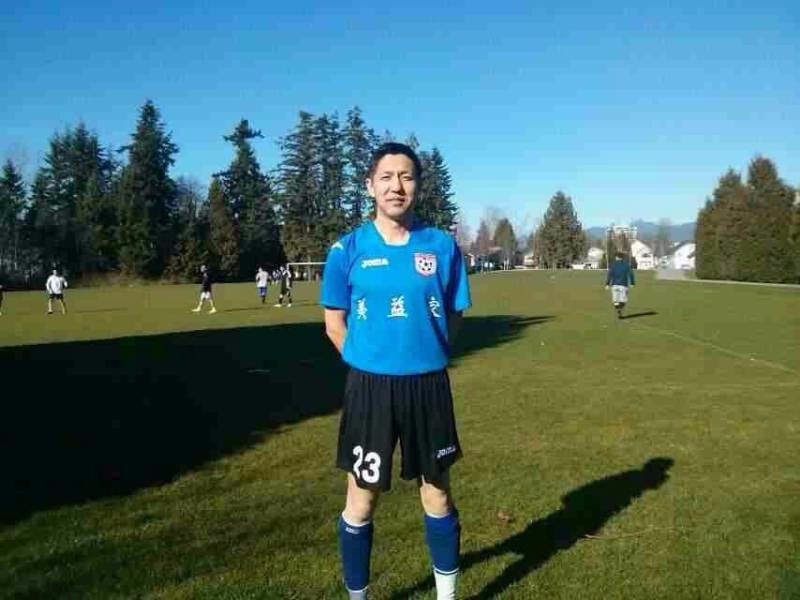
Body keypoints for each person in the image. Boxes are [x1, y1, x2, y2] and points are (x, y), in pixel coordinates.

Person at [320, 142, 471, 599]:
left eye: (406, 176)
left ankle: (447, 596)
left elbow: (455, 314)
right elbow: (334, 324)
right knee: (361, 499)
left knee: (437, 493)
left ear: (418, 186)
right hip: (370, 390)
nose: (396, 186)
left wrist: (425, 352)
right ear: (370, 186)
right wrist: (371, 361)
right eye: (386, 177)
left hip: (428, 387)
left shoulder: (441, 246)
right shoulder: (346, 249)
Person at [605, 251, 635, 319]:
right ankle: (620, 309)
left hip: (614, 285)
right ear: (622, 257)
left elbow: (610, 274)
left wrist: (607, 284)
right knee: (623, 301)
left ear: (617, 257)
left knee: (615, 301)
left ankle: (618, 308)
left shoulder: (613, 265)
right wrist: (632, 283)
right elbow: (631, 274)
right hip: (623, 285)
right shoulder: (627, 265)